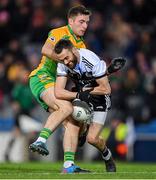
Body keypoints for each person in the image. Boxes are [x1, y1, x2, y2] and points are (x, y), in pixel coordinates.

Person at [29, 5, 91, 173]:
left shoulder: (82, 47)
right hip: (42, 77)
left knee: (73, 122)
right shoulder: (59, 32)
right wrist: (65, 59)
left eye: (87, 22)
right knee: (66, 107)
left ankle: (68, 166)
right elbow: (45, 50)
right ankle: (40, 140)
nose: (85, 25)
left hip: (58, 84)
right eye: (81, 21)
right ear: (71, 21)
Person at [54, 39, 117, 172]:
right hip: (81, 97)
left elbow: (106, 89)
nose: (65, 62)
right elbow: (58, 92)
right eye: (62, 60)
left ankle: (107, 156)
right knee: (72, 115)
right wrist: (79, 95)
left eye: (67, 57)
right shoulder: (63, 64)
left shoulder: (91, 60)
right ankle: (82, 129)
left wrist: (84, 92)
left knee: (92, 139)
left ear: (74, 50)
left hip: (100, 98)